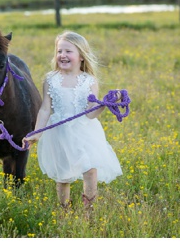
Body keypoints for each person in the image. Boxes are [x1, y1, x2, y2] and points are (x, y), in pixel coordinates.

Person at [23, 31, 123, 210]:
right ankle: (64, 210)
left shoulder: (89, 81)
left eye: (68, 51)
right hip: (59, 133)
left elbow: (90, 113)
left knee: (90, 169)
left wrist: (106, 104)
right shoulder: (50, 80)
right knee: (63, 176)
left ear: (81, 56)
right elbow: (45, 108)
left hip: (84, 131)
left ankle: (89, 209)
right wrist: (36, 133)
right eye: (59, 51)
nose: (63, 55)